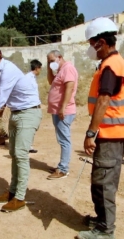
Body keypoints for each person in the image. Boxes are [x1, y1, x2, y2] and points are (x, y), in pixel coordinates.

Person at [77, 17, 124, 239]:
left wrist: (90, 133)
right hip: (111, 133)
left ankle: (106, 230)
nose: (90, 48)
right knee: (101, 179)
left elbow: (104, 101)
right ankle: (101, 219)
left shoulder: (110, 66)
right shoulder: (114, 63)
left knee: (103, 182)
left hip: (110, 134)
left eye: (92, 43)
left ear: (102, 42)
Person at [0, 45, 42, 212]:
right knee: (14, 153)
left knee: (21, 154)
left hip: (28, 114)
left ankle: (20, 197)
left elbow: (0, 97)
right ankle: (12, 191)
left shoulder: (8, 70)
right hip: (16, 113)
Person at [46, 50, 78, 180]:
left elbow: (69, 88)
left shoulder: (68, 68)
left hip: (63, 111)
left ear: (60, 57)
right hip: (56, 110)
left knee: (64, 140)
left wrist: (63, 107)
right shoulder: (61, 70)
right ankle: (61, 166)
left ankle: (63, 169)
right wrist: (49, 67)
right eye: (49, 61)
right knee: (62, 139)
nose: (51, 63)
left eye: (52, 60)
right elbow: (51, 81)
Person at [26, 59, 43, 153]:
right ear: (37, 68)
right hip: (30, 106)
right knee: (30, 126)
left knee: (32, 126)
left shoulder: (31, 78)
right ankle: (28, 146)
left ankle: (29, 145)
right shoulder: (28, 78)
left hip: (33, 105)